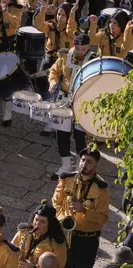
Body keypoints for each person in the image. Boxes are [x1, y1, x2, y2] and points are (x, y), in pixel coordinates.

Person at [52, 147, 110, 268]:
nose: (84, 164)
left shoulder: (101, 188)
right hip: (67, 234)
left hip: (87, 239)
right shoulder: (67, 178)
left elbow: (103, 219)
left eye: (89, 162)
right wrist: (64, 218)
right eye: (82, 160)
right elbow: (56, 203)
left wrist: (84, 210)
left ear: (96, 166)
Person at [47, 33, 92, 177]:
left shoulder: (93, 60)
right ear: (73, 45)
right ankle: (65, 165)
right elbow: (54, 71)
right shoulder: (65, 57)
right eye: (78, 49)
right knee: (61, 134)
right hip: (64, 98)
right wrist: (53, 82)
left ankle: (81, 168)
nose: (80, 52)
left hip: (82, 102)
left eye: (83, 49)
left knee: (80, 137)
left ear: (88, 47)